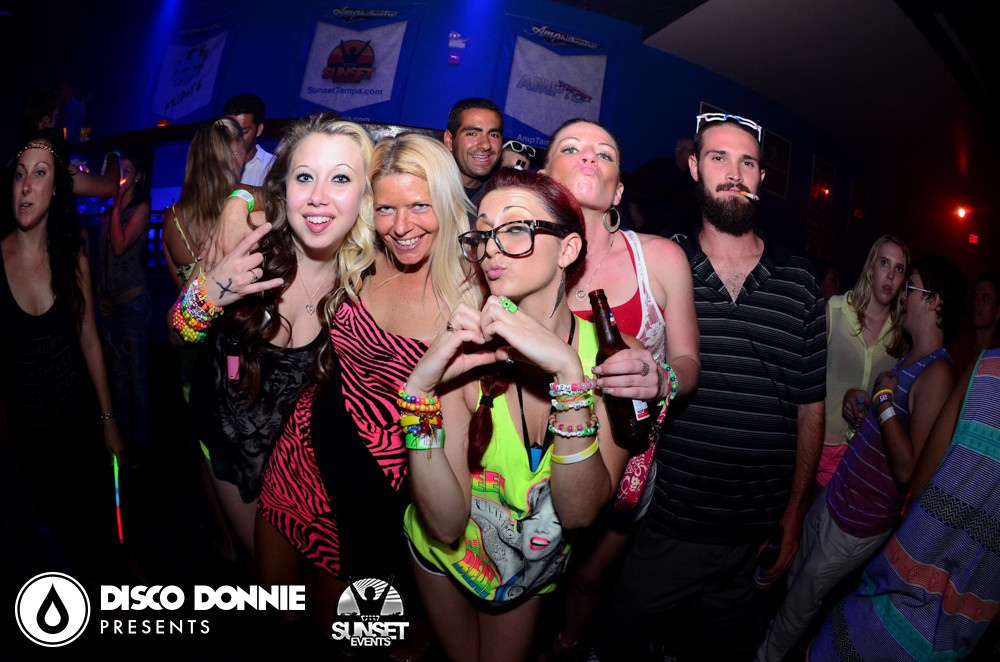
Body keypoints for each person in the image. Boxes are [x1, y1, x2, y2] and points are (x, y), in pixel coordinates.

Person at [594, 113, 827, 660]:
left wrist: (794, 515)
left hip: (756, 530)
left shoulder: (800, 281)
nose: (734, 173)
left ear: (760, 177)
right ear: (695, 167)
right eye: (719, 158)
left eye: (748, 162)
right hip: (673, 516)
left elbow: (811, 408)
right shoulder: (663, 265)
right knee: (613, 641)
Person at [402, 168, 632, 662]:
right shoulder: (463, 351)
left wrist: (569, 374)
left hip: (531, 564)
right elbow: (445, 525)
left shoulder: (614, 356)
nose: (491, 248)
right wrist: (418, 394)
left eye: (514, 228)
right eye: (483, 233)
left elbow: (579, 512)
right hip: (446, 557)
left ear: (568, 250)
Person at [256, 132, 481, 636]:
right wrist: (235, 198)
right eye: (385, 209)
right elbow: (283, 199)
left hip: (381, 484)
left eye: (420, 206)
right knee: (274, 600)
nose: (401, 227)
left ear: (448, 202)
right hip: (302, 452)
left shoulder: (475, 293)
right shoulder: (362, 256)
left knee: (344, 632)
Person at [538, 118, 701, 658]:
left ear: (619, 191)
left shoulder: (661, 257)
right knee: (527, 571)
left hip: (624, 456)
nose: (589, 157)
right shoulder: (518, 253)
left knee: (586, 578)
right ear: (544, 175)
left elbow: (688, 363)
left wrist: (660, 378)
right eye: (572, 148)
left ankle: (567, 647)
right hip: (531, 454)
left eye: (604, 153)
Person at [177, 115, 369, 563]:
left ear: (365, 194)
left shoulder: (367, 280)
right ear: (286, 187)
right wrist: (210, 294)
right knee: (268, 580)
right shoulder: (248, 239)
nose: (318, 196)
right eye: (305, 177)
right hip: (227, 443)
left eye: (340, 178)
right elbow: (177, 333)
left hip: (301, 468)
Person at [756, 255, 963, 662]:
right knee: (794, 581)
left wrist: (882, 400)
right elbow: (889, 429)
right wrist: (862, 401)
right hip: (837, 495)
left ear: (935, 302)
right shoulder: (910, 357)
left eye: (911, 287)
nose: (902, 295)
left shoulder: (938, 373)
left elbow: (908, 468)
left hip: (859, 520)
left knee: (800, 603)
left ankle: (766, 656)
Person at [807, 348, 1000, 661]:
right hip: (952, 641)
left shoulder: (981, 369)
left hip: (884, 607)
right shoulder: (918, 356)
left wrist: (883, 399)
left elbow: (911, 479)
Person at [0, 131, 124, 573]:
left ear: (56, 189)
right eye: (20, 175)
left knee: (95, 529)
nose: (26, 186)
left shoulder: (72, 256)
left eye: (39, 174)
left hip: (79, 422)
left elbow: (89, 338)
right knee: (49, 540)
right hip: (30, 436)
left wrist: (108, 420)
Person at [818, 235, 909, 488]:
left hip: (862, 456)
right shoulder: (835, 311)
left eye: (899, 269)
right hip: (819, 446)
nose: (890, 275)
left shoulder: (901, 336)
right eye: (884, 263)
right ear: (871, 267)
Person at [97, 152, 152, 449]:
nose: (121, 176)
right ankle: (122, 436)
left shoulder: (141, 208)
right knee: (117, 374)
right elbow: (102, 257)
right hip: (111, 305)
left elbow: (119, 246)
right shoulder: (108, 212)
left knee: (137, 375)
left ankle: (142, 441)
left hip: (133, 303)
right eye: (119, 171)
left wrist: (116, 202)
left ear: (137, 177)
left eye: (127, 171)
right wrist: (99, 294)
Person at [161, 116, 246, 291]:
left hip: (199, 308)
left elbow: (184, 299)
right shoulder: (250, 197)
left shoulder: (172, 217)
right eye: (244, 145)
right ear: (234, 147)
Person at [443, 97, 503, 214]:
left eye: (493, 135)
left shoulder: (502, 200)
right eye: (472, 134)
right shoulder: (425, 190)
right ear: (449, 140)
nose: (485, 145)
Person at [951, 271, 1000, 371]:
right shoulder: (960, 345)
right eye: (975, 297)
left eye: (985, 299)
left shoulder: (997, 355)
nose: (976, 303)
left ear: (998, 312)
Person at [223, 93, 275, 187]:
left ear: (259, 130)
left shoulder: (272, 167)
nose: (234, 138)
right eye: (229, 131)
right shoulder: (211, 162)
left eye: (243, 132)